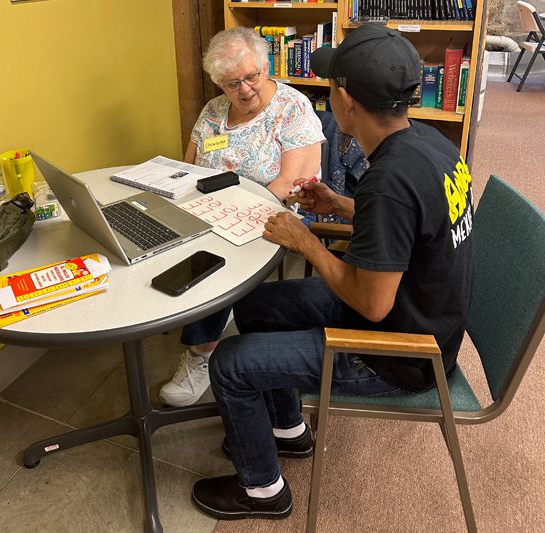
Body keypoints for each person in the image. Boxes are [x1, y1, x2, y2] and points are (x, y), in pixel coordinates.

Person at [190, 24, 474, 520]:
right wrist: (340, 205)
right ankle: (288, 430)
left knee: (229, 363)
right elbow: (410, 227)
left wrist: (307, 244)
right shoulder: (429, 142)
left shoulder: (388, 181)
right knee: (257, 306)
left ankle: (262, 492)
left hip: (399, 354)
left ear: (344, 101)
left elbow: (371, 304)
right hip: (426, 313)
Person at [159, 27, 324, 407]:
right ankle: (192, 312)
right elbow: (189, 165)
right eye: (232, 84)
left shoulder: (292, 108)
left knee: (211, 255)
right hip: (209, 206)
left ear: (267, 67)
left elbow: (289, 185)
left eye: (252, 77)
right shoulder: (214, 111)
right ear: (219, 82)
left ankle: (201, 350)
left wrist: (232, 209)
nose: (245, 89)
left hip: (273, 213)